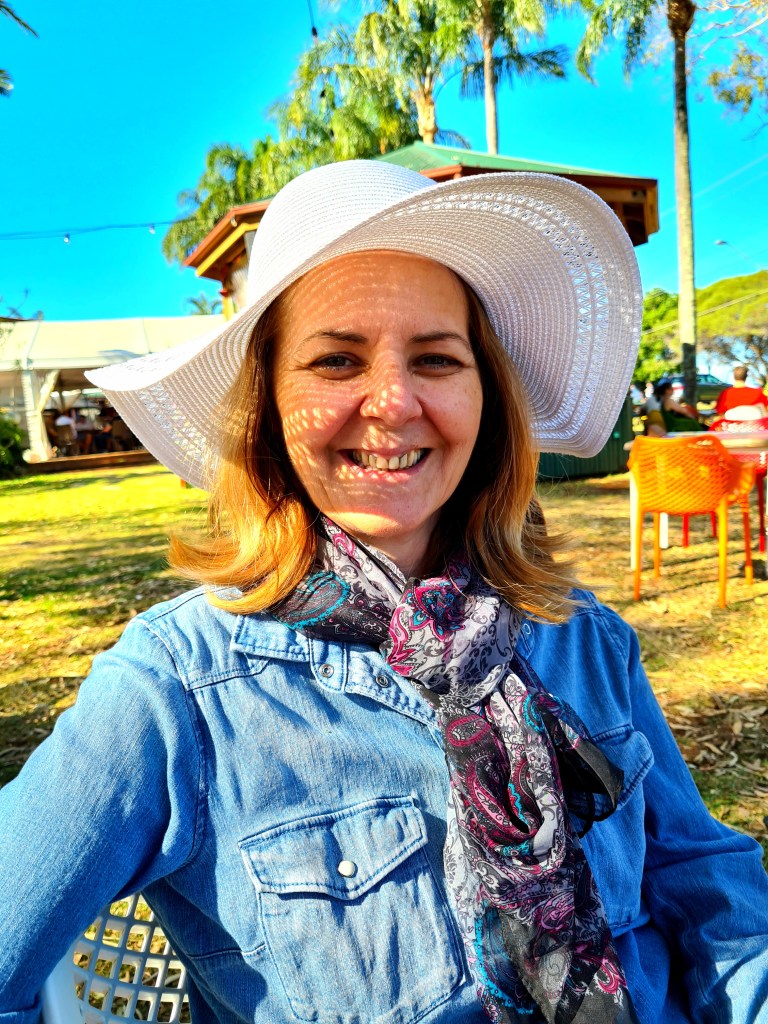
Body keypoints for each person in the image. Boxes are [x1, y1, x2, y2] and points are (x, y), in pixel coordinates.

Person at [1, 161, 767, 1024]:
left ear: (486, 398)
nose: (395, 402)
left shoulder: (582, 635)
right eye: (337, 360)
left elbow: (704, 882)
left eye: (436, 358)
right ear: (266, 405)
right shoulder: (175, 690)